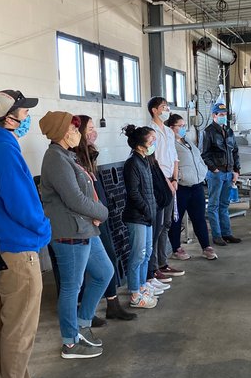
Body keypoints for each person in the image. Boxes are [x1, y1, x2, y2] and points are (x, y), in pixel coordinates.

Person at [0, 90, 60, 378]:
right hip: (17, 248)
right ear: (9, 118)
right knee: (20, 327)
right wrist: (43, 230)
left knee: (2, 322)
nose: (27, 118)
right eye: (23, 113)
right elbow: (20, 203)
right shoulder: (5, 152)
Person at [39, 111, 114, 359]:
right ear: (61, 132)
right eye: (73, 130)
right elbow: (75, 199)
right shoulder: (55, 159)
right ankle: (70, 342)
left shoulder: (67, 156)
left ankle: (83, 323)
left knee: (104, 272)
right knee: (72, 286)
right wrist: (102, 211)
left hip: (84, 229)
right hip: (69, 232)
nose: (77, 134)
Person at [71, 115, 137, 321]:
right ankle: (83, 310)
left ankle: (112, 302)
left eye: (93, 128)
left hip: (99, 214)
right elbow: (78, 194)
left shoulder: (89, 154)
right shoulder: (71, 157)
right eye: (88, 128)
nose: (93, 132)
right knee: (83, 270)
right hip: (87, 219)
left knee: (108, 258)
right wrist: (94, 213)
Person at [165, 114, 217, 261]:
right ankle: (176, 248)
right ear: (171, 128)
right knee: (176, 219)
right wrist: (179, 176)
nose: (183, 129)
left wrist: (203, 170)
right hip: (181, 187)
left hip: (196, 185)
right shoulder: (169, 144)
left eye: (184, 126)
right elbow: (169, 164)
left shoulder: (186, 141)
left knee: (199, 218)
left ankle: (206, 247)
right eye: (180, 126)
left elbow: (198, 158)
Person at [121, 125, 160, 309]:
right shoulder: (132, 163)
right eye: (151, 139)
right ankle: (135, 294)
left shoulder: (145, 160)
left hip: (147, 215)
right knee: (138, 255)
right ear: (140, 143)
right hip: (137, 216)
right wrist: (147, 209)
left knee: (147, 253)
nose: (154, 142)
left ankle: (143, 286)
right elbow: (134, 193)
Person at [147, 96, 185, 282]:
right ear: (154, 110)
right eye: (163, 107)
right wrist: (166, 182)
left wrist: (175, 178)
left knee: (167, 223)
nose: (166, 110)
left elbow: (174, 157)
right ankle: (153, 267)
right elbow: (153, 161)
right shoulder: (149, 131)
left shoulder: (169, 132)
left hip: (172, 181)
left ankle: (163, 263)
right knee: (158, 225)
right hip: (159, 183)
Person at [202, 102, 243, 246]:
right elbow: (204, 154)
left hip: (228, 172)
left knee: (224, 204)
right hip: (216, 174)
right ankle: (217, 235)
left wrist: (236, 170)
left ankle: (227, 233)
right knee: (213, 205)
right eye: (221, 115)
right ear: (214, 115)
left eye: (225, 114)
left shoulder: (229, 131)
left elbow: (235, 151)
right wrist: (214, 169)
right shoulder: (208, 132)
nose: (223, 117)